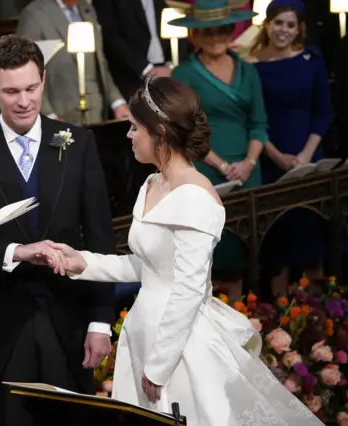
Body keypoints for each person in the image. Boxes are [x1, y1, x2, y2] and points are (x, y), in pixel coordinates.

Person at [38, 76, 323, 426]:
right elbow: (150, 268)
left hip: (179, 346)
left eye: (133, 127)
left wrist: (159, 366)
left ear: (159, 132)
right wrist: (82, 262)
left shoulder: (195, 197)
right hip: (146, 331)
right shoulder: (152, 183)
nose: (127, 136)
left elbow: (187, 288)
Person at [0, 35, 116, 426]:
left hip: (68, 317)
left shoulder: (79, 143)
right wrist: (17, 252)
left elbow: (101, 238)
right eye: (12, 91)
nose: (24, 101)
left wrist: (101, 322)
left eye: (32, 88)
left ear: (44, 79)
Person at [169, 0, 268, 298]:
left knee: (247, 255)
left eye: (223, 30)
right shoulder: (182, 75)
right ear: (195, 35)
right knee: (211, 255)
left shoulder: (249, 71)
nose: (217, 37)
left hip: (249, 173)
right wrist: (223, 167)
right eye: (208, 31)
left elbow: (260, 124)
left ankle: (251, 323)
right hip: (204, 173)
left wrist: (249, 162)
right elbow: (184, 132)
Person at [247, 0, 332, 295]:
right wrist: (277, 156)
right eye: (278, 23)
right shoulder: (252, 66)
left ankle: (322, 323)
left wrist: (306, 156)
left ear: (299, 29)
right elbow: (254, 120)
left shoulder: (312, 58)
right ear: (267, 24)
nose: (283, 30)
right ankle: (278, 325)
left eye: (290, 24)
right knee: (278, 249)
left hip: (310, 161)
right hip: (271, 162)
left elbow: (323, 113)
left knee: (312, 243)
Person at [15, 0, 129, 124]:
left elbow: (100, 63)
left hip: (96, 110)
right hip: (60, 111)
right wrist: (48, 115)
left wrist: (117, 102)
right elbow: (25, 72)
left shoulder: (87, 9)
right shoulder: (35, 14)